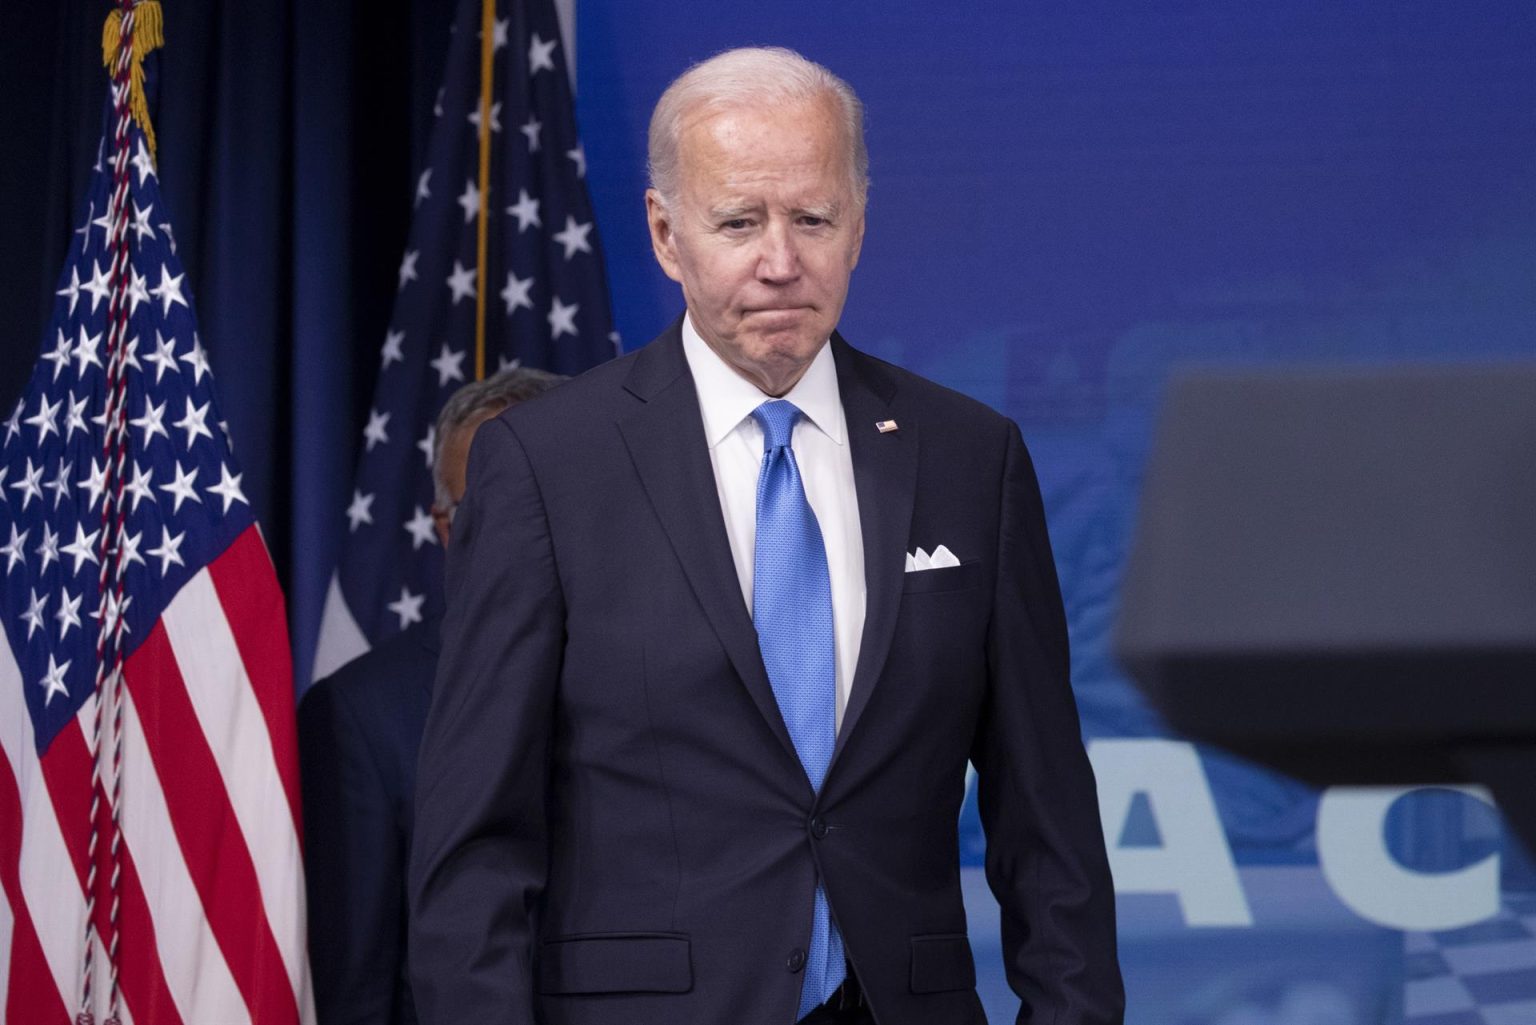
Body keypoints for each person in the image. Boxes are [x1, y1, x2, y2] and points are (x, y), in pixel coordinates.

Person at [409, 47, 1124, 1025]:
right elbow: (474, 845)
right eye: (739, 221)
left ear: (859, 226)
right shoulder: (547, 463)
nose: (780, 261)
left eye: (813, 219)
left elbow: (1048, 821)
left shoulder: (970, 456)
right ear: (667, 233)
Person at [298, 367, 565, 1025]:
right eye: (493, 506)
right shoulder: (363, 713)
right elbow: (357, 988)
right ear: (445, 529)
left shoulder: (677, 668)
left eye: (549, 499)